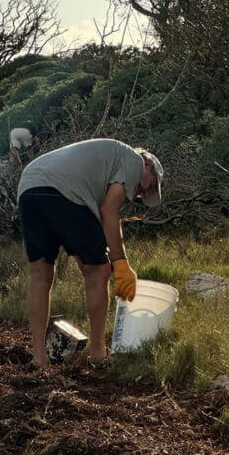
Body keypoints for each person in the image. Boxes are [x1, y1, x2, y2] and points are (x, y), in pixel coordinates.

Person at [16, 138, 164, 368]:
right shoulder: (134, 160)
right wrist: (120, 264)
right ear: (148, 166)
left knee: (41, 274)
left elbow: (82, 228)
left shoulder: (104, 163)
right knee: (99, 271)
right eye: (148, 186)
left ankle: (39, 358)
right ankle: (98, 354)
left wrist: (105, 258)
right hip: (63, 192)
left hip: (29, 187)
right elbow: (108, 212)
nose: (139, 193)